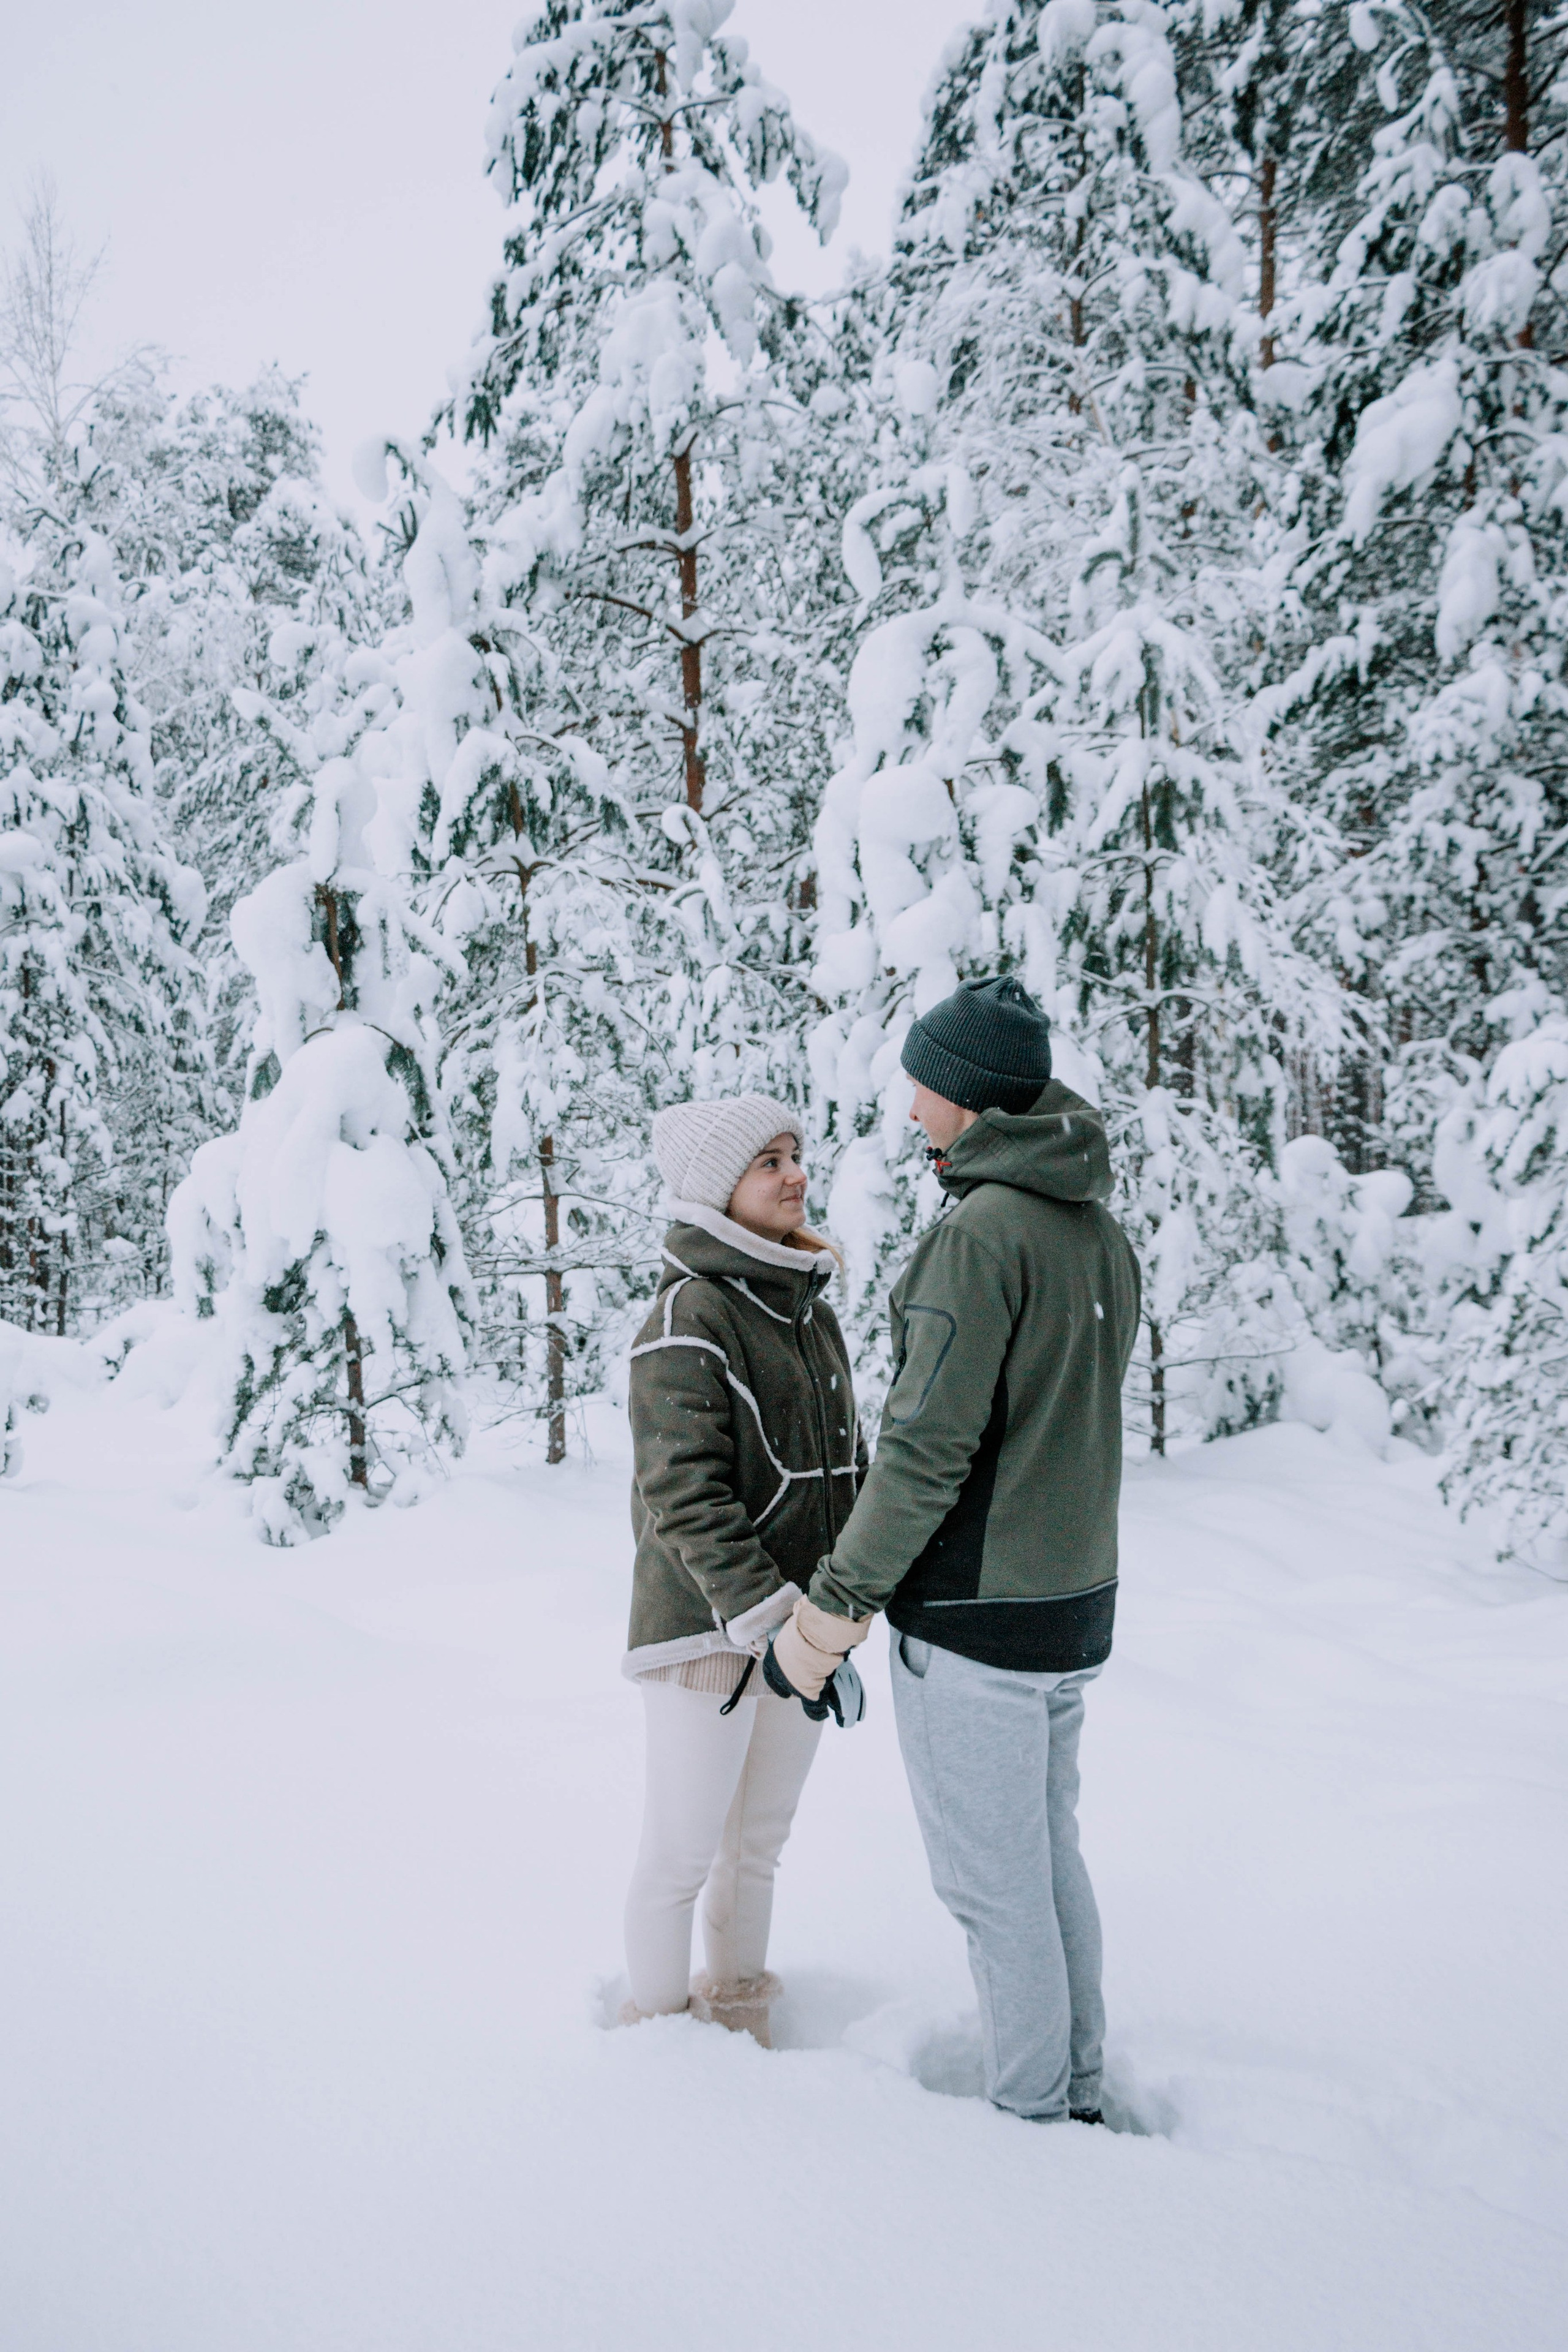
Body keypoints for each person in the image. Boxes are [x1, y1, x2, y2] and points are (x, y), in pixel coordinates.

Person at [768, 976, 1140, 2124]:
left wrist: (825, 1622)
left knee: (995, 1890)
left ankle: (1032, 2121)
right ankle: (1073, 2090)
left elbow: (925, 1456)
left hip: (977, 1619)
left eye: (924, 1081)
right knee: (1045, 1856)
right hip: (1072, 1609)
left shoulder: (979, 1239)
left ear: (970, 1098)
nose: (911, 1103)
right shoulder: (1094, 1229)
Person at [620, 1095, 863, 2047]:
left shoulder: (806, 1310)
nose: (796, 1173)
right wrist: (772, 1621)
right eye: (769, 1160)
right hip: (706, 1638)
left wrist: (845, 1602)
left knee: (756, 1849)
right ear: (719, 1187)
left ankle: (743, 2019)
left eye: (796, 1152)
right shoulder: (690, 1316)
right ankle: (660, 2041)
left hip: (801, 1636)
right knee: (681, 1854)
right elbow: (685, 1495)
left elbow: (847, 1471)